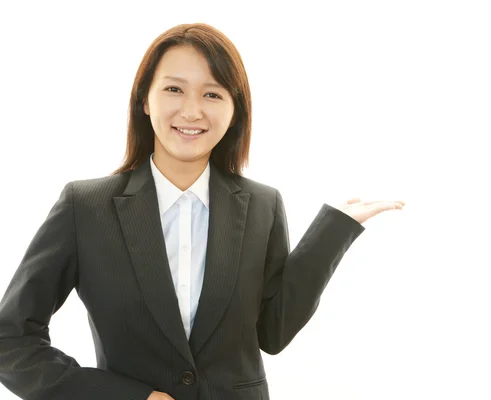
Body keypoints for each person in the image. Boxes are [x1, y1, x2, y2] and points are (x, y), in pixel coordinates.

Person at [0, 22, 404, 400]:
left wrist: (334, 229)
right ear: (144, 100)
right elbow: (10, 340)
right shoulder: (85, 207)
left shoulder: (263, 204)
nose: (192, 111)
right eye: (174, 90)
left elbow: (274, 332)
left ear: (234, 111)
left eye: (212, 94)